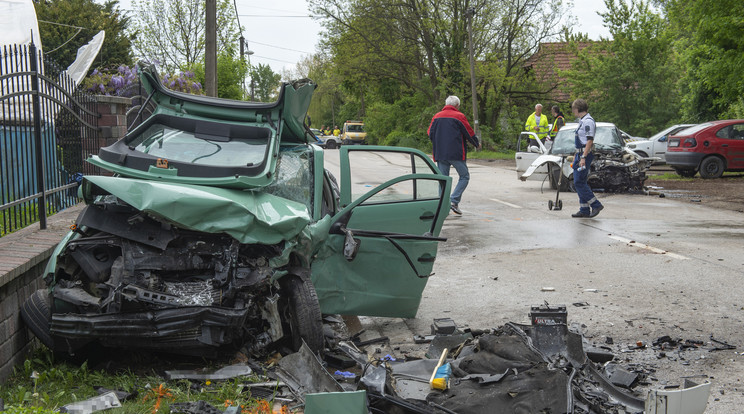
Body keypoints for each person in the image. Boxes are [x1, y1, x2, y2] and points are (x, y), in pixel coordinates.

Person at [427, 95, 481, 215]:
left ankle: (441, 205)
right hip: (456, 153)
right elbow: (469, 132)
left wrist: (439, 143)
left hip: (440, 153)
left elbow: (430, 133)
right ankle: (454, 201)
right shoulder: (459, 116)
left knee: (443, 180)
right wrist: (476, 144)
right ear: (457, 105)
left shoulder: (436, 116)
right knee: (464, 176)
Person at [570, 98, 604, 218]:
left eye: (574, 109)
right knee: (580, 181)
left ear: (577, 109)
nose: (573, 111)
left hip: (585, 154)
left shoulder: (588, 121)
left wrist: (583, 157)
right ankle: (584, 209)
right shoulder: (582, 121)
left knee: (579, 181)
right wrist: (576, 155)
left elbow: (589, 141)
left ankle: (595, 204)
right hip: (580, 154)